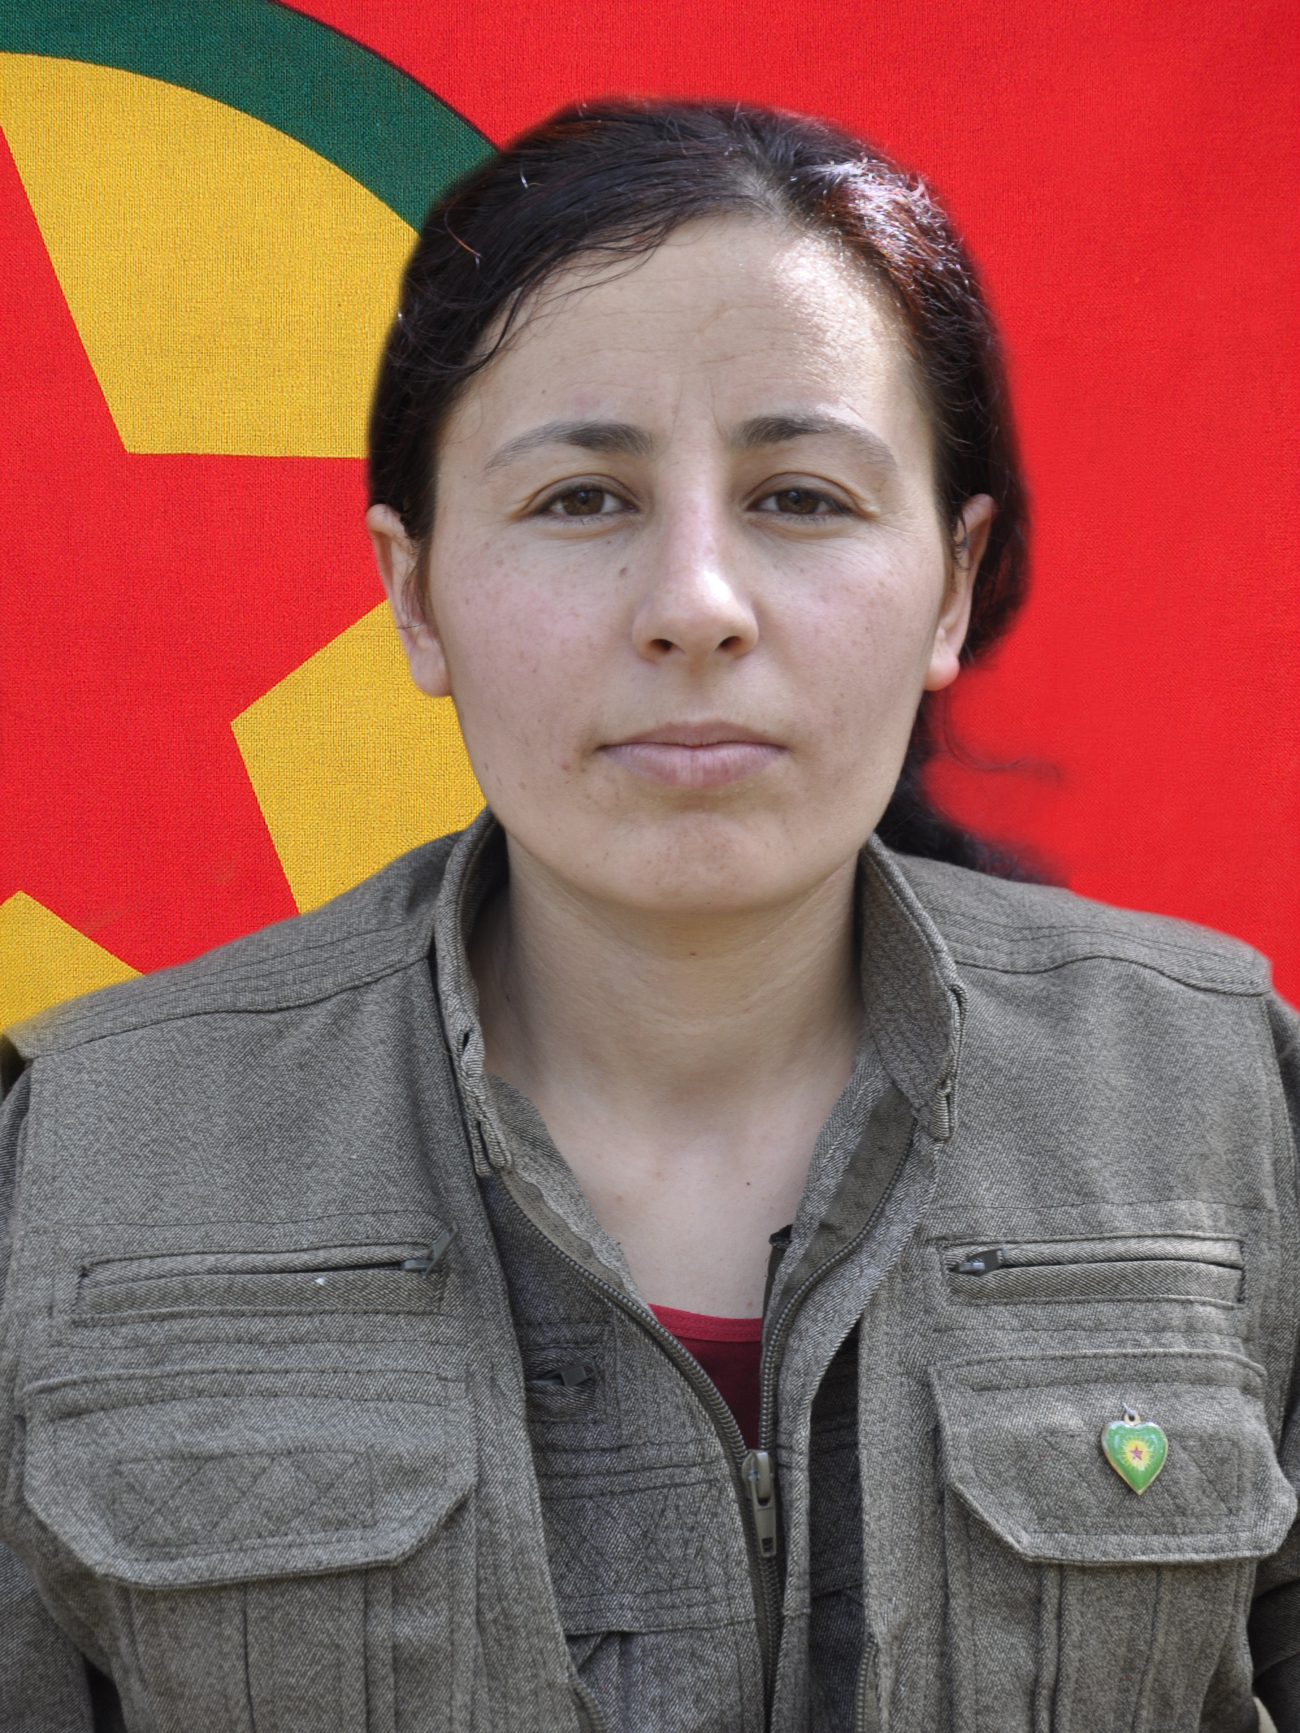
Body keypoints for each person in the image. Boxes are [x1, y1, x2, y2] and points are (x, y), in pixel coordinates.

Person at [0, 100, 1296, 1733]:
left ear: (953, 583)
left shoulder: (1220, 1100)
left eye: (802, 496)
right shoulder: (88, 1155)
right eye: (581, 499)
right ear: (414, 591)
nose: (695, 604)